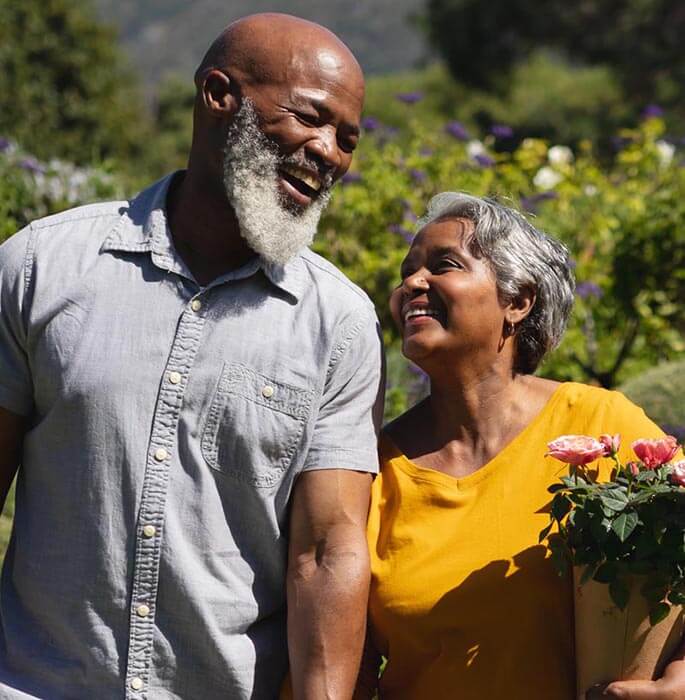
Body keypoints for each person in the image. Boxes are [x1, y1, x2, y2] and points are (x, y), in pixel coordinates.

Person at [0, 13, 384, 700]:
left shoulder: (338, 323)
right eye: (310, 118)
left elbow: (327, 553)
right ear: (218, 95)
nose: (328, 152)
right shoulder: (41, 268)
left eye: (346, 140)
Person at [356, 192, 685, 699]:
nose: (412, 284)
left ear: (518, 301)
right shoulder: (373, 469)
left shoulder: (600, 427)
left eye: (443, 265)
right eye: (408, 271)